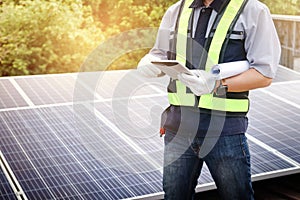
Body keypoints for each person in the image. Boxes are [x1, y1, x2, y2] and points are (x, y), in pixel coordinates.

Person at [137, 0, 281, 199]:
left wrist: (217, 85)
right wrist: (149, 61)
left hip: (225, 131)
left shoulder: (253, 11)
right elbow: (159, 53)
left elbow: (264, 74)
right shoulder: (176, 11)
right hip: (178, 129)